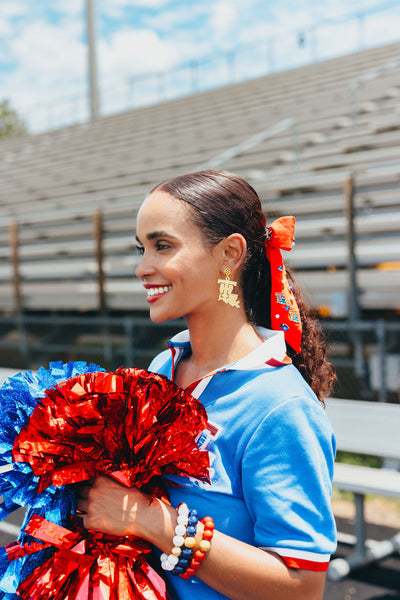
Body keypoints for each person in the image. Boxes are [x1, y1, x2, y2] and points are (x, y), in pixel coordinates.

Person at [77, 170, 337, 600]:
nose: (144, 267)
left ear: (229, 254)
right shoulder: (163, 367)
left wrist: (152, 523)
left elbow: (302, 587)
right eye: (142, 248)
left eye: (163, 246)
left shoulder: (281, 405)